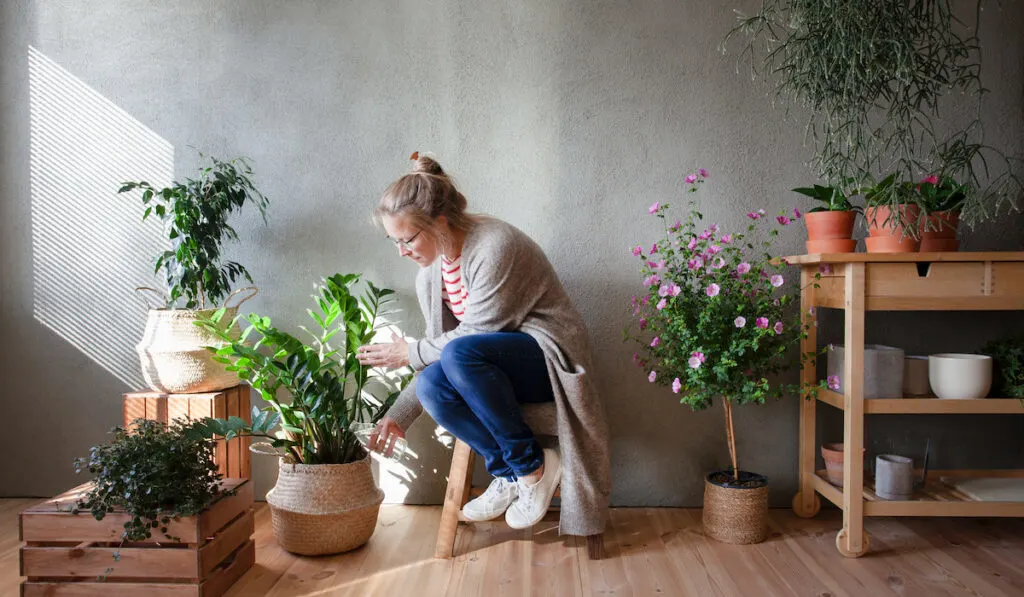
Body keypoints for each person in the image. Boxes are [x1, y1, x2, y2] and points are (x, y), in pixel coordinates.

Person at [356, 153, 610, 535]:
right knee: (431, 384)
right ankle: (513, 472)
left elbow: (468, 339)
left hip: (549, 360)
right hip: (487, 366)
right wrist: (399, 414)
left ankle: (530, 469)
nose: (401, 251)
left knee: (461, 352)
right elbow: (437, 355)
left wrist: (408, 351)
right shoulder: (431, 275)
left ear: (439, 223)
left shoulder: (496, 247)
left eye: (407, 239)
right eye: (394, 241)